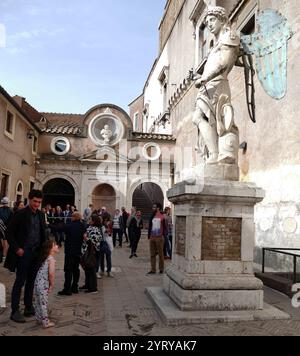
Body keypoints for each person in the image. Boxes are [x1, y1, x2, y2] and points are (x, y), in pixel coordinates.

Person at [192, 6, 240, 165]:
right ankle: (213, 154)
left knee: (221, 122)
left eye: (212, 20)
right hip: (208, 86)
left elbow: (223, 63)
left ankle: (220, 154)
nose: (209, 24)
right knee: (199, 117)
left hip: (218, 85)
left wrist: (205, 78)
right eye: (207, 22)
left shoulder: (230, 36)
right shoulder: (216, 44)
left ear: (222, 19)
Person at [5, 190, 46, 324]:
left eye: (39, 202)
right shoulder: (20, 214)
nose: (36, 204)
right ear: (29, 199)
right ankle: (15, 311)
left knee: (31, 281)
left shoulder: (41, 214)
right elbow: (9, 232)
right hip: (23, 253)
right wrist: (17, 249)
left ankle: (28, 307)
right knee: (20, 281)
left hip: (36, 253)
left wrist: (44, 252)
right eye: (34, 201)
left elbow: (42, 233)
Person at [53, 213, 86, 296]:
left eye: (72, 217)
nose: (71, 218)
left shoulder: (70, 225)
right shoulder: (83, 226)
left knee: (68, 270)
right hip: (78, 251)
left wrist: (49, 224)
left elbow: (59, 229)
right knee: (76, 269)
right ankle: (74, 287)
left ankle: (67, 289)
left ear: (75, 217)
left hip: (70, 251)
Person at [33, 239, 59, 329]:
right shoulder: (51, 259)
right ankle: (45, 322)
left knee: (38, 301)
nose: (57, 246)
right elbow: (51, 274)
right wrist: (51, 284)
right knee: (43, 303)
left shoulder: (46, 257)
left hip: (37, 282)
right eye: (55, 245)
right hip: (43, 284)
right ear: (51, 249)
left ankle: (39, 318)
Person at [80, 214, 101, 293]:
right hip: (87, 250)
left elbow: (94, 241)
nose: (89, 220)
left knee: (91, 269)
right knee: (87, 269)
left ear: (94, 221)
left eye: (90, 219)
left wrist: (86, 238)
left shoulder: (96, 229)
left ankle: (93, 288)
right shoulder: (90, 227)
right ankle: (87, 284)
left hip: (92, 251)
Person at [147, 203, 167, 275]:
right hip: (152, 237)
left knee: (161, 254)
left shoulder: (163, 216)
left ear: (158, 208)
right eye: (153, 207)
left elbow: (165, 227)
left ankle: (161, 269)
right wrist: (149, 236)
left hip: (159, 237)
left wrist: (163, 235)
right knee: (152, 254)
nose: (153, 208)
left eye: (154, 207)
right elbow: (150, 226)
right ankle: (153, 269)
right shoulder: (152, 215)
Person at [0, 197, 13, 262]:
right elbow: (11, 220)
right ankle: (4, 255)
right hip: (6, 228)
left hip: (2, 227)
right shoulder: (10, 210)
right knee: (5, 241)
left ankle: (3, 254)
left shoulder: (9, 210)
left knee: (3, 240)